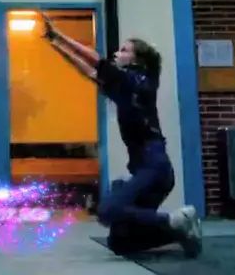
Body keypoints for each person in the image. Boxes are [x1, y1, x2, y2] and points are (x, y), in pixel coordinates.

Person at [40, 13, 202, 258]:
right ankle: (179, 232)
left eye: (124, 50)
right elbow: (89, 72)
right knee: (120, 243)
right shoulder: (124, 87)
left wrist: (59, 35)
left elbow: (95, 61)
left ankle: (174, 219)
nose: (117, 53)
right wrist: (55, 45)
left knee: (107, 210)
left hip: (154, 165)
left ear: (137, 59)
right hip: (144, 167)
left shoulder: (139, 80)